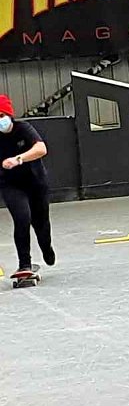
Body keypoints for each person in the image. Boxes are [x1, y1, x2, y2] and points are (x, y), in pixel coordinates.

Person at [0, 94, 56, 276]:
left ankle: (46, 247)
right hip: (10, 184)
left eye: (1, 116)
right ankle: (24, 264)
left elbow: (41, 149)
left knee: (41, 223)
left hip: (35, 182)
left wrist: (19, 159)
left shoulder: (23, 129)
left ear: (9, 115)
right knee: (22, 218)